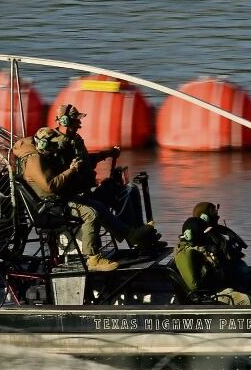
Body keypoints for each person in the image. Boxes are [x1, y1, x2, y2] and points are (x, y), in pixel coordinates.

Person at [12, 104, 158, 271]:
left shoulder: (63, 143)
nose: (79, 125)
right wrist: (73, 170)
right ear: (65, 121)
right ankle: (102, 253)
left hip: (69, 194)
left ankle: (133, 235)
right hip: (60, 200)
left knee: (120, 193)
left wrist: (105, 155)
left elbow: (84, 162)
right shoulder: (52, 149)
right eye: (76, 121)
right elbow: (52, 184)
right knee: (102, 206)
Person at [191, 201, 251, 304]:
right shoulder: (204, 238)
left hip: (238, 271)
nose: (217, 215)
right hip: (232, 278)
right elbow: (221, 262)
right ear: (204, 217)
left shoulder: (217, 232)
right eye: (214, 212)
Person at [172, 217, 251, 305]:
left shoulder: (198, 250)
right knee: (245, 300)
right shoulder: (186, 254)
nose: (207, 237)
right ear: (190, 235)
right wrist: (210, 267)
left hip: (215, 288)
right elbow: (195, 287)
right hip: (206, 295)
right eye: (205, 234)